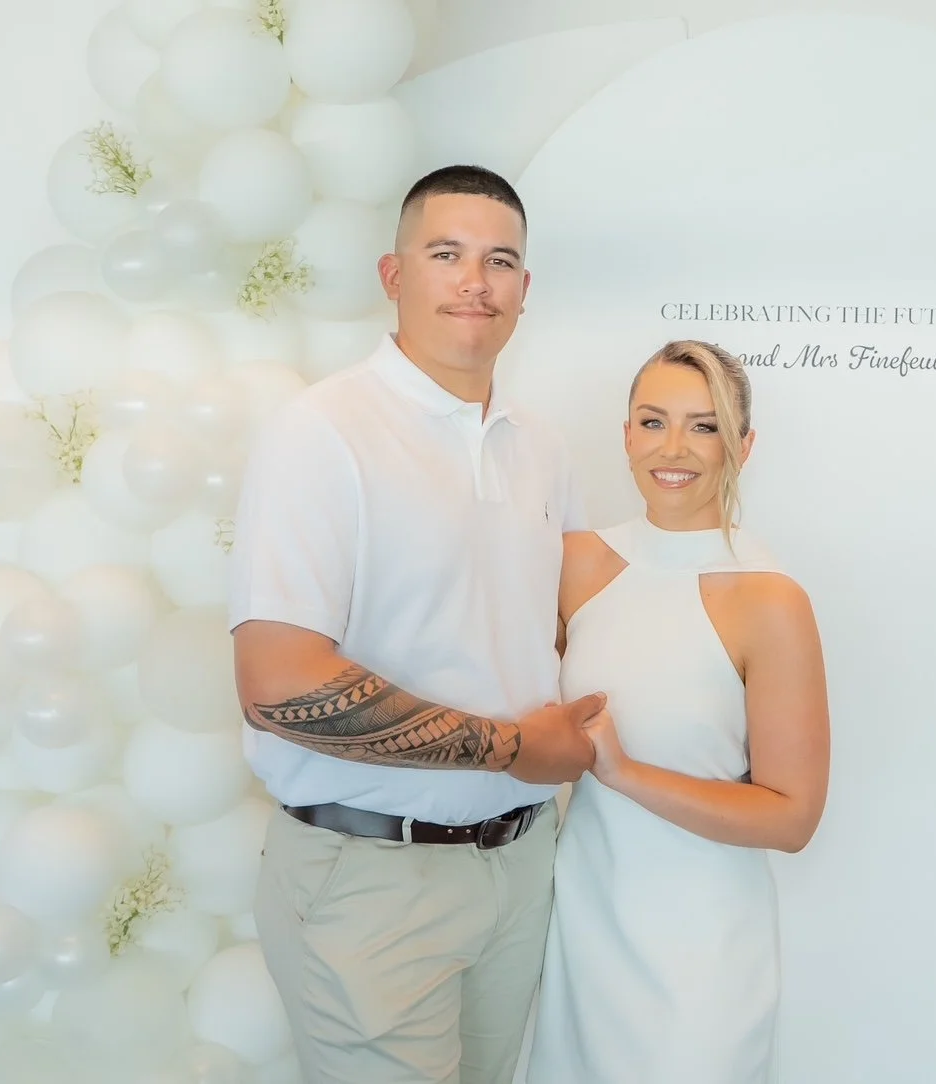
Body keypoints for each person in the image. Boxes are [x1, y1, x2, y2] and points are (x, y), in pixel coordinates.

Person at [227, 164, 604, 1084]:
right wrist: (516, 749)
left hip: (519, 867)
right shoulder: (323, 432)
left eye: (501, 260)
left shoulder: (541, 445)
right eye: (447, 254)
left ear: (525, 289)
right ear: (395, 277)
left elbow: (584, 623)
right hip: (370, 875)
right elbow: (277, 684)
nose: (476, 281)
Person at [526, 341, 832, 1083]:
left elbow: (790, 818)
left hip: (703, 952)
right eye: (653, 421)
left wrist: (626, 774)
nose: (674, 448)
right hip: (582, 927)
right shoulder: (575, 563)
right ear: (626, 434)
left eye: (704, 426)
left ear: (743, 445)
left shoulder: (769, 599)